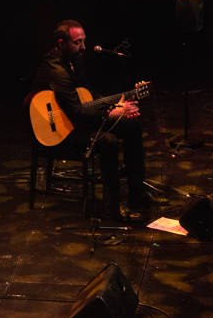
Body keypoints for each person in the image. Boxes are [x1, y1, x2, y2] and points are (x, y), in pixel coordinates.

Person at [32, 19, 149, 219]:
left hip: (79, 121)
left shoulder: (74, 61)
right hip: (63, 131)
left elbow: (88, 95)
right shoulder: (55, 69)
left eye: (84, 41)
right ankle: (111, 208)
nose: (83, 47)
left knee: (132, 125)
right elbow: (77, 110)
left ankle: (136, 194)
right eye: (77, 42)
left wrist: (116, 103)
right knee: (108, 141)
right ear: (61, 43)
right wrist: (111, 112)